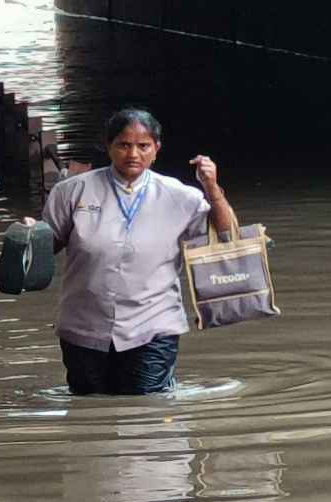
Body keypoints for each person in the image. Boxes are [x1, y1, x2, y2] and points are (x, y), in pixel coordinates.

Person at [30, 108, 235, 395]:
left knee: (146, 407)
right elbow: (48, 246)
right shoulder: (72, 191)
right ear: (108, 146)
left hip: (153, 324)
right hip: (84, 323)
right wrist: (32, 236)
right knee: (88, 405)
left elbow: (226, 237)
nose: (133, 154)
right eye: (124, 145)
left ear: (156, 149)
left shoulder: (180, 195)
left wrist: (212, 188)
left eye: (143, 146)